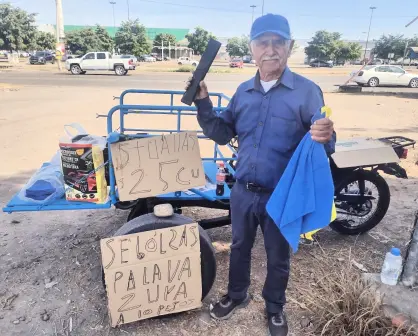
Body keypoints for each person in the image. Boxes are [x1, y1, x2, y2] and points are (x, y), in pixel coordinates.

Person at [186, 13, 336, 336]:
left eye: (278, 42)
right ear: (252, 49)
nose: (270, 50)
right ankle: (237, 295)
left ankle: (274, 307)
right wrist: (203, 103)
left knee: (278, 255)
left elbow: (324, 143)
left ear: (290, 47)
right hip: (243, 191)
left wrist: (326, 135)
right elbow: (222, 132)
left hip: (282, 195)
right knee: (239, 246)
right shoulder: (243, 92)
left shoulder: (308, 93)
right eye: (263, 43)